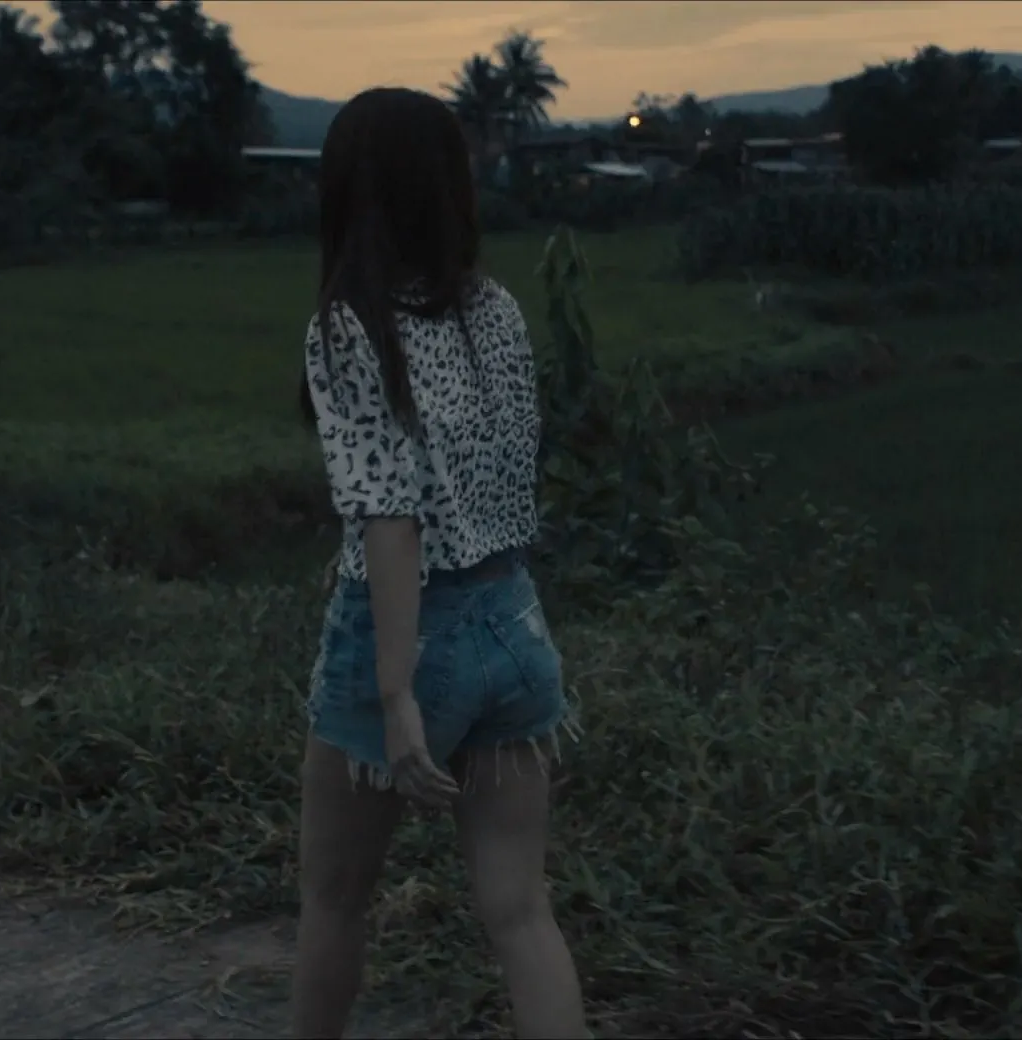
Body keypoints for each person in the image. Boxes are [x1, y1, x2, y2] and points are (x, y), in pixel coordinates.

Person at [290, 86, 588, 1040]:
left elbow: (393, 517)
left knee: (333, 901)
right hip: (514, 621)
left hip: (406, 636)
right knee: (522, 912)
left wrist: (397, 696)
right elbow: (487, 480)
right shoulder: (495, 309)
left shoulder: (349, 325)